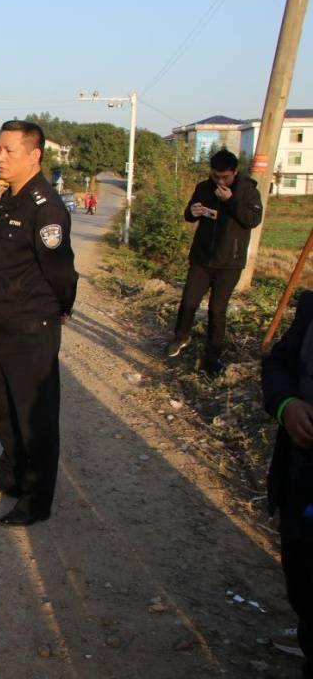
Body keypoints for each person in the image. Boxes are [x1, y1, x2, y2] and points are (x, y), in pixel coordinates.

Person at [0, 120, 78, 526]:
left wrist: (60, 307)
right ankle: (11, 472)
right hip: (4, 324)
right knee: (6, 407)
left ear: (34, 155)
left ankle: (37, 497)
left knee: (35, 416)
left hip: (32, 326)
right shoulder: (10, 199)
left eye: (8, 150)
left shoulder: (45, 207)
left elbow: (61, 271)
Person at [166, 148, 263, 375]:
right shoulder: (203, 187)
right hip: (202, 258)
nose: (220, 181)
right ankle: (181, 338)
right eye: (216, 176)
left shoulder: (247, 191)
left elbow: (252, 219)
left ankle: (213, 357)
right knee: (189, 301)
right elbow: (188, 215)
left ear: (234, 172)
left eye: (225, 177)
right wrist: (193, 211)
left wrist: (231, 201)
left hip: (230, 262)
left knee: (217, 310)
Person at [262, 290, 313, 678]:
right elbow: (278, 361)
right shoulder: (312, 308)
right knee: (298, 564)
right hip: (300, 475)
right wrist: (286, 404)